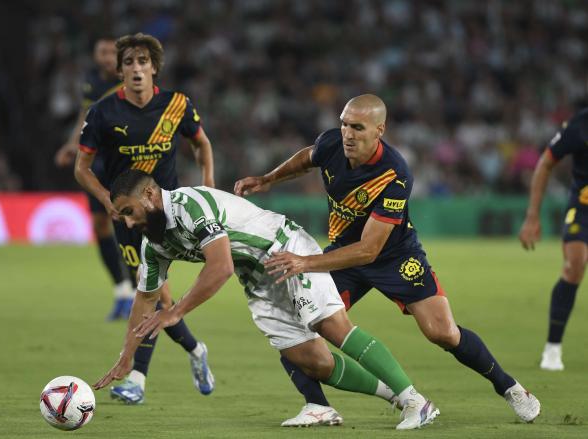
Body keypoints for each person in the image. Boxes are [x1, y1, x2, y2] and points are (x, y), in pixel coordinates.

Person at [234, 94, 540, 426]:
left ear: (380, 129)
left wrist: (306, 263)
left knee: (442, 332)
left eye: (358, 127)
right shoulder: (332, 143)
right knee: (294, 318)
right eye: (344, 124)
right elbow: (307, 158)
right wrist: (267, 179)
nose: (348, 134)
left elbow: (370, 250)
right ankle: (317, 405)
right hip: (344, 256)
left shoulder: (394, 174)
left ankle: (510, 388)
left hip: (394, 255)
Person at [93, 169, 440, 430]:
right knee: (312, 360)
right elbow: (145, 298)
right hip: (257, 277)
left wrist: (175, 312)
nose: (125, 221)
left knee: (331, 325)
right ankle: (394, 396)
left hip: (284, 248)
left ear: (151, 195)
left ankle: (415, 400)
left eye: (127, 210)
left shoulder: (188, 205)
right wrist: (127, 356)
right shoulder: (152, 244)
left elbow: (221, 267)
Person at [75, 33, 215, 405]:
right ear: (119, 71)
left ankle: (137, 378)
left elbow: (202, 143)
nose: (136, 69)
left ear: (154, 67)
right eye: (129, 63)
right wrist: (106, 198)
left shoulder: (177, 105)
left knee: (152, 296)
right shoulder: (103, 112)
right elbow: (81, 168)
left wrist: (209, 188)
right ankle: (196, 350)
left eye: (142, 62)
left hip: (166, 217)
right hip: (127, 220)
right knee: (158, 298)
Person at [54, 35, 134, 321]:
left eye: (112, 52)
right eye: (102, 51)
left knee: (129, 224)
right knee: (100, 224)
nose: (107, 57)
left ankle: (141, 290)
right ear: (95, 54)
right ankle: (122, 290)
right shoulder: (91, 81)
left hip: (122, 160)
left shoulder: (131, 80)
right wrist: (70, 144)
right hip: (94, 160)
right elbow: (85, 116)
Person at [519, 107, 588, 371]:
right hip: (583, 209)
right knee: (574, 265)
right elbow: (546, 163)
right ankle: (552, 348)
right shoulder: (579, 126)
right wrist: (532, 216)